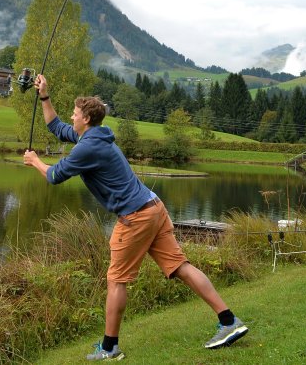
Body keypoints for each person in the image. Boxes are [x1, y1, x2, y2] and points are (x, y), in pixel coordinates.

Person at [23, 74, 248, 361]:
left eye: (75, 113)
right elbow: (56, 126)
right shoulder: (94, 137)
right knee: (179, 266)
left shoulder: (88, 147)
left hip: (136, 217)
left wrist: (34, 162)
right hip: (154, 207)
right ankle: (229, 321)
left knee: (116, 280)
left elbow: (54, 176)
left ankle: (109, 348)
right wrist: (44, 96)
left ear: (86, 119)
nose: (72, 117)